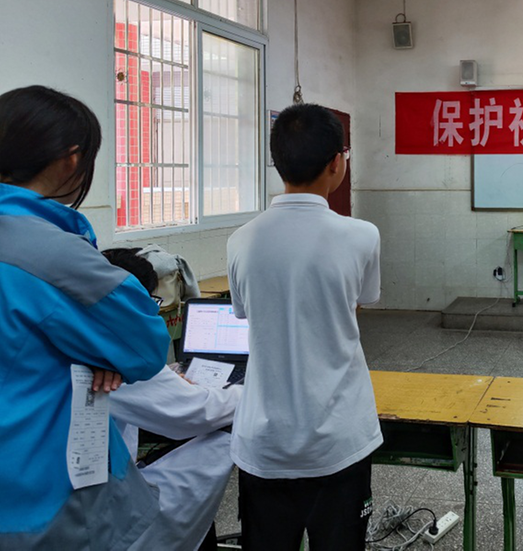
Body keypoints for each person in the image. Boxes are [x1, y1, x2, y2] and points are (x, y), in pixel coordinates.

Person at [0, 86, 168, 549]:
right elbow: (146, 346)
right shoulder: (52, 254)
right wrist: (97, 350)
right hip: (34, 498)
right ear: (72, 160)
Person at [227, 103, 382, 550]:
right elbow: (357, 305)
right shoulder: (362, 235)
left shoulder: (241, 240)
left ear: (277, 163)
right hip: (340, 440)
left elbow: (247, 316)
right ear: (337, 163)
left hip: (264, 443)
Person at [102, 248, 243, 551]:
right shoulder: (117, 349)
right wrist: (249, 391)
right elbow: (195, 413)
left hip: (52, 491)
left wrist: (165, 378)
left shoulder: (69, 333)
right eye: (153, 301)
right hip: (105, 510)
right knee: (224, 436)